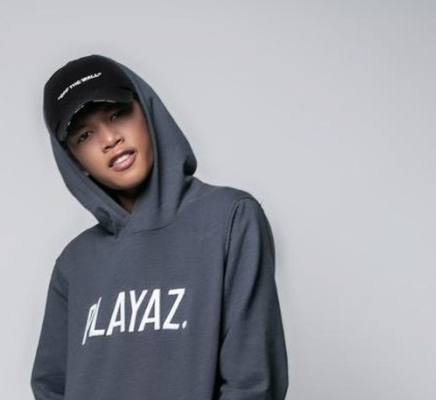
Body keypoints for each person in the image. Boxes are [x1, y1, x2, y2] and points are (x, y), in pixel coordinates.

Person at [31, 54, 289, 400]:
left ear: (147, 111)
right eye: (85, 135)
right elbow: (50, 386)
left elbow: (254, 382)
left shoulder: (229, 219)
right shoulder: (74, 264)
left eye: (117, 114)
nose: (110, 139)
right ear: (76, 163)